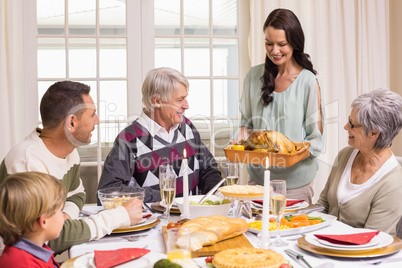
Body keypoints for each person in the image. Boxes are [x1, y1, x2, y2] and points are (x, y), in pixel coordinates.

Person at [0, 81, 143, 254]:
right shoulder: (27, 163)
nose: (97, 121)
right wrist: (120, 216)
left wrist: (63, 218)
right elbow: (46, 239)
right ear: (72, 123)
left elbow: (77, 195)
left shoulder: (69, 152)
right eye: (92, 115)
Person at [232, 8, 324, 203]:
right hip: (257, 180)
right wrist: (240, 139)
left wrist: (291, 156)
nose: (274, 50)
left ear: (294, 43)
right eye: (269, 43)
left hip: (296, 184)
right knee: (254, 232)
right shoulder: (253, 76)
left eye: (281, 44)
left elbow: (315, 140)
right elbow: (247, 123)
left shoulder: (307, 82)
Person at [98, 67, 222, 202]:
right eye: (180, 100)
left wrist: (217, 195)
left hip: (191, 219)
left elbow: (208, 169)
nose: (186, 105)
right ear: (157, 101)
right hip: (155, 221)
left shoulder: (187, 127)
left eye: (185, 98)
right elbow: (108, 191)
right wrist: (163, 196)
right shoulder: (129, 139)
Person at [317, 88, 402, 235]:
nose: (345, 127)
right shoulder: (344, 155)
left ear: (374, 133)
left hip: (359, 255)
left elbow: (372, 241)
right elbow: (322, 207)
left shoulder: (394, 184)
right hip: (323, 246)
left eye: (351, 124)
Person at [0, 172, 66, 267]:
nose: (63, 215)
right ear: (43, 221)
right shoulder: (21, 264)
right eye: (60, 210)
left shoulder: (35, 250)